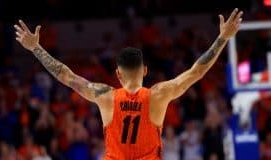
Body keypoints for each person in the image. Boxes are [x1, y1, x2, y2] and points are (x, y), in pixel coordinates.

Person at [14, 8, 243, 160]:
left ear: (117, 74)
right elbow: (197, 71)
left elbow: (67, 76)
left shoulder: (104, 95)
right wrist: (222, 38)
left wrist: (35, 48)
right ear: (145, 70)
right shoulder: (159, 94)